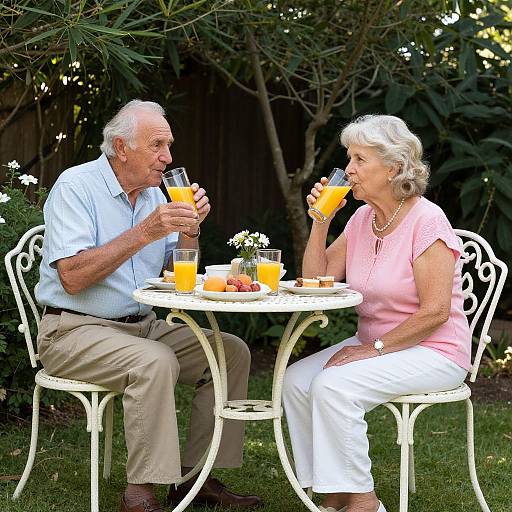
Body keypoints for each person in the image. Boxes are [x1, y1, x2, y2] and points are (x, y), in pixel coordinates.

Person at [36, 100, 261, 512]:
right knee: (154, 360)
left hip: (142, 325)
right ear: (121, 148)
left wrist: (191, 230)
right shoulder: (76, 187)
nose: (168, 157)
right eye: (158, 145)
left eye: (169, 145)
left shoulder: (154, 195)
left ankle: (194, 479)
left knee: (229, 353)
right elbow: (72, 276)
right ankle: (140, 495)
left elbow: (178, 277)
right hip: (71, 331)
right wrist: (145, 231)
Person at [282, 114, 470, 512]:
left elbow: (436, 312)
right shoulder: (363, 217)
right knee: (296, 381)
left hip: (434, 349)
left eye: (359, 160)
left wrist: (374, 349)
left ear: (393, 167)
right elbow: (317, 281)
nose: (348, 170)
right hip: (379, 344)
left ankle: (364, 502)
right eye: (349, 158)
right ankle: (333, 491)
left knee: (334, 386)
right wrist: (321, 223)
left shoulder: (427, 220)